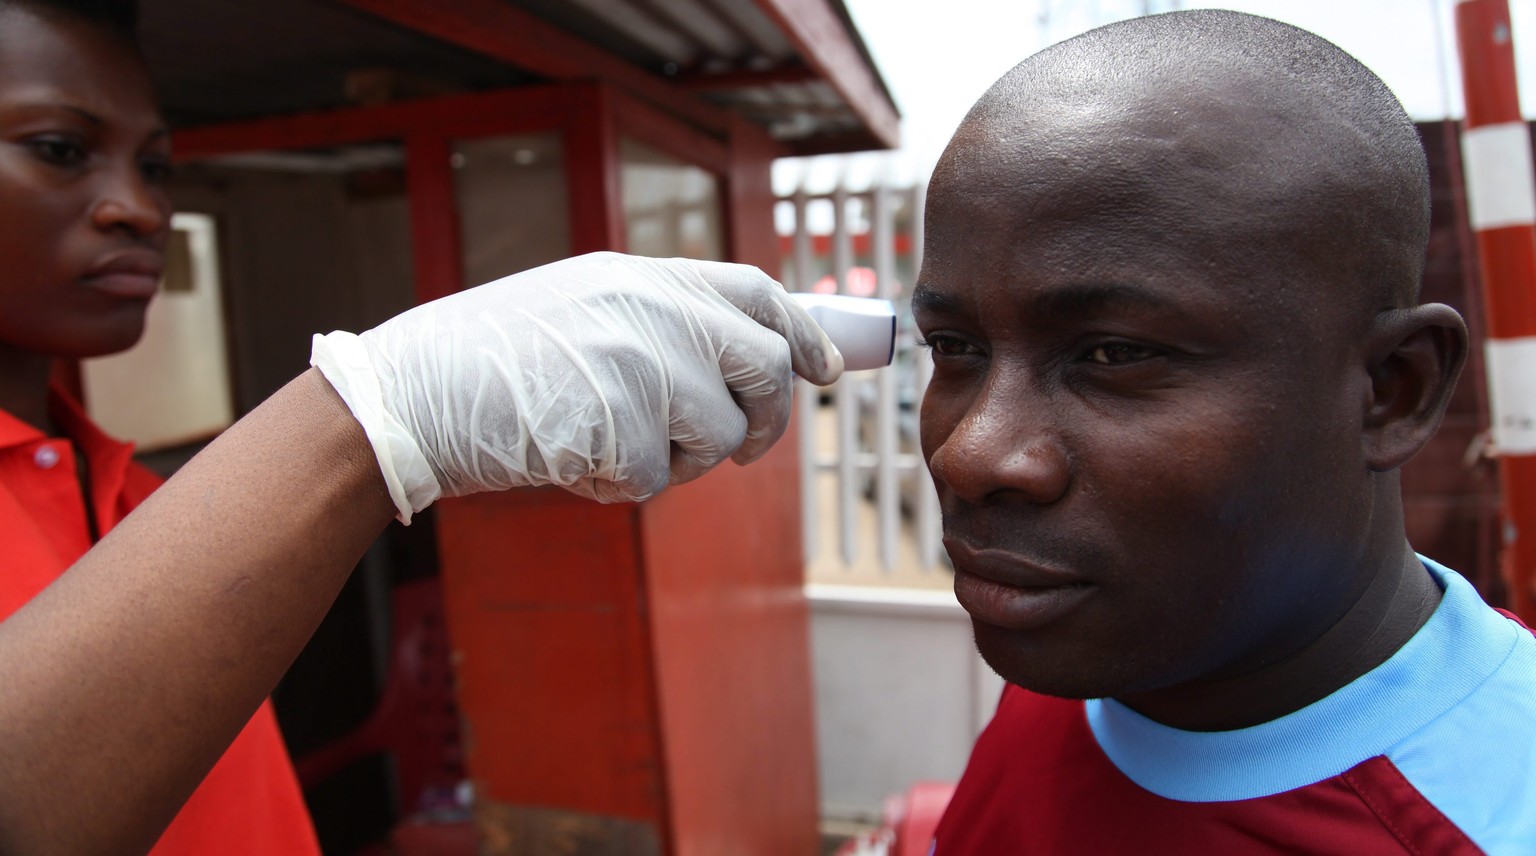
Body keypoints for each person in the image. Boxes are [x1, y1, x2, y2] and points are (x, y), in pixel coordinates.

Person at [0, 1, 843, 853]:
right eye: (59, 149)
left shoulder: (131, 495)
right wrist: (371, 417)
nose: (139, 208)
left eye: (154, 165)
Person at [916, 10, 1535, 854]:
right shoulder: (1112, 658)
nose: (973, 453)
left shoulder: (1487, 818)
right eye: (955, 348)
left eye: (1115, 353)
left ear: (1394, 390)